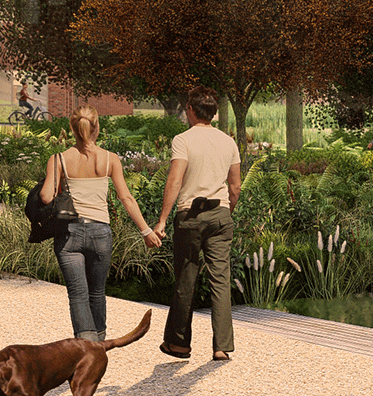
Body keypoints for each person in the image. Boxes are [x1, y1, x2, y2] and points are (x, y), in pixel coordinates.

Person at [39, 107, 164, 343]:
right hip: (100, 233)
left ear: (72, 129)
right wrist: (146, 231)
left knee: (78, 294)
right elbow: (126, 198)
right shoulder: (110, 159)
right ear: (97, 128)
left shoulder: (59, 159)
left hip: (69, 234)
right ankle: (99, 342)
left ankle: (87, 346)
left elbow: (46, 197)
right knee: (97, 292)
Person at [159, 94, 243, 361]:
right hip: (220, 214)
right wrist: (226, 211)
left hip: (190, 216)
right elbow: (235, 186)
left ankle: (179, 344)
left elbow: (174, 181)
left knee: (186, 278)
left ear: (190, 110)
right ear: (214, 113)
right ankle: (222, 347)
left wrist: (162, 219)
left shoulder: (183, 140)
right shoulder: (228, 141)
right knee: (221, 280)